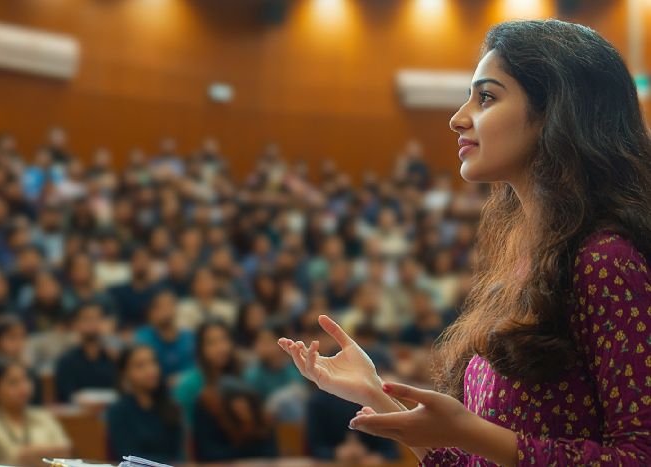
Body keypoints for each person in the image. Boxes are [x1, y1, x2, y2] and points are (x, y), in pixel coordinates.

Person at [279, 19, 651, 466]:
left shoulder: (605, 260)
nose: (458, 118)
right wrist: (375, 394)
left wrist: (470, 432)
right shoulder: (524, 262)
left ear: (556, 112)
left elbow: (640, 454)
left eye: (487, 97)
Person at [0, 358, 71, 466]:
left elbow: (65, 452)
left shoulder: (44, 417)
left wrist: (25, 454)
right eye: (13, 382)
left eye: (25, 379)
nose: (23, 387)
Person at [106, 345, 183, 463]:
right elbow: (126, 457)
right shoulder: (119, 412)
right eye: (140, 365)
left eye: (153, 362)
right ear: (125, 372)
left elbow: (179, 455)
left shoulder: (171, 407)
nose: (150, 370)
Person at [173, 319, 240, 429]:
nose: (221, 347)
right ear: (200, 348)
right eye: (211, 343)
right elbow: (184, 429)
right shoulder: (189, 386)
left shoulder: (242, 376)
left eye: (224, 339)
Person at [192, 376, 277, 462]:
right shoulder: (218, 420)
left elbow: (272, 453)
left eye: (246, 407)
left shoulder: (263, 420)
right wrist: (252, 450)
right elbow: (211, 453)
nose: (241, 409)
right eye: (236, 406)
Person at [54, 302, 117, 403]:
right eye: (87, 319)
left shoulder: (113, 358)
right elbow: (68, 395)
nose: (94, 323)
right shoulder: (67, 362)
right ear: (75, 324)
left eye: (98, 318)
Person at [134, 290, 195, 384]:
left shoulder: (189, 337)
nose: (167, 310)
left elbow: (196, 370)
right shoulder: (142, 338)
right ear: (150, 312)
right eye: (161, 306)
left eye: (171, 304)